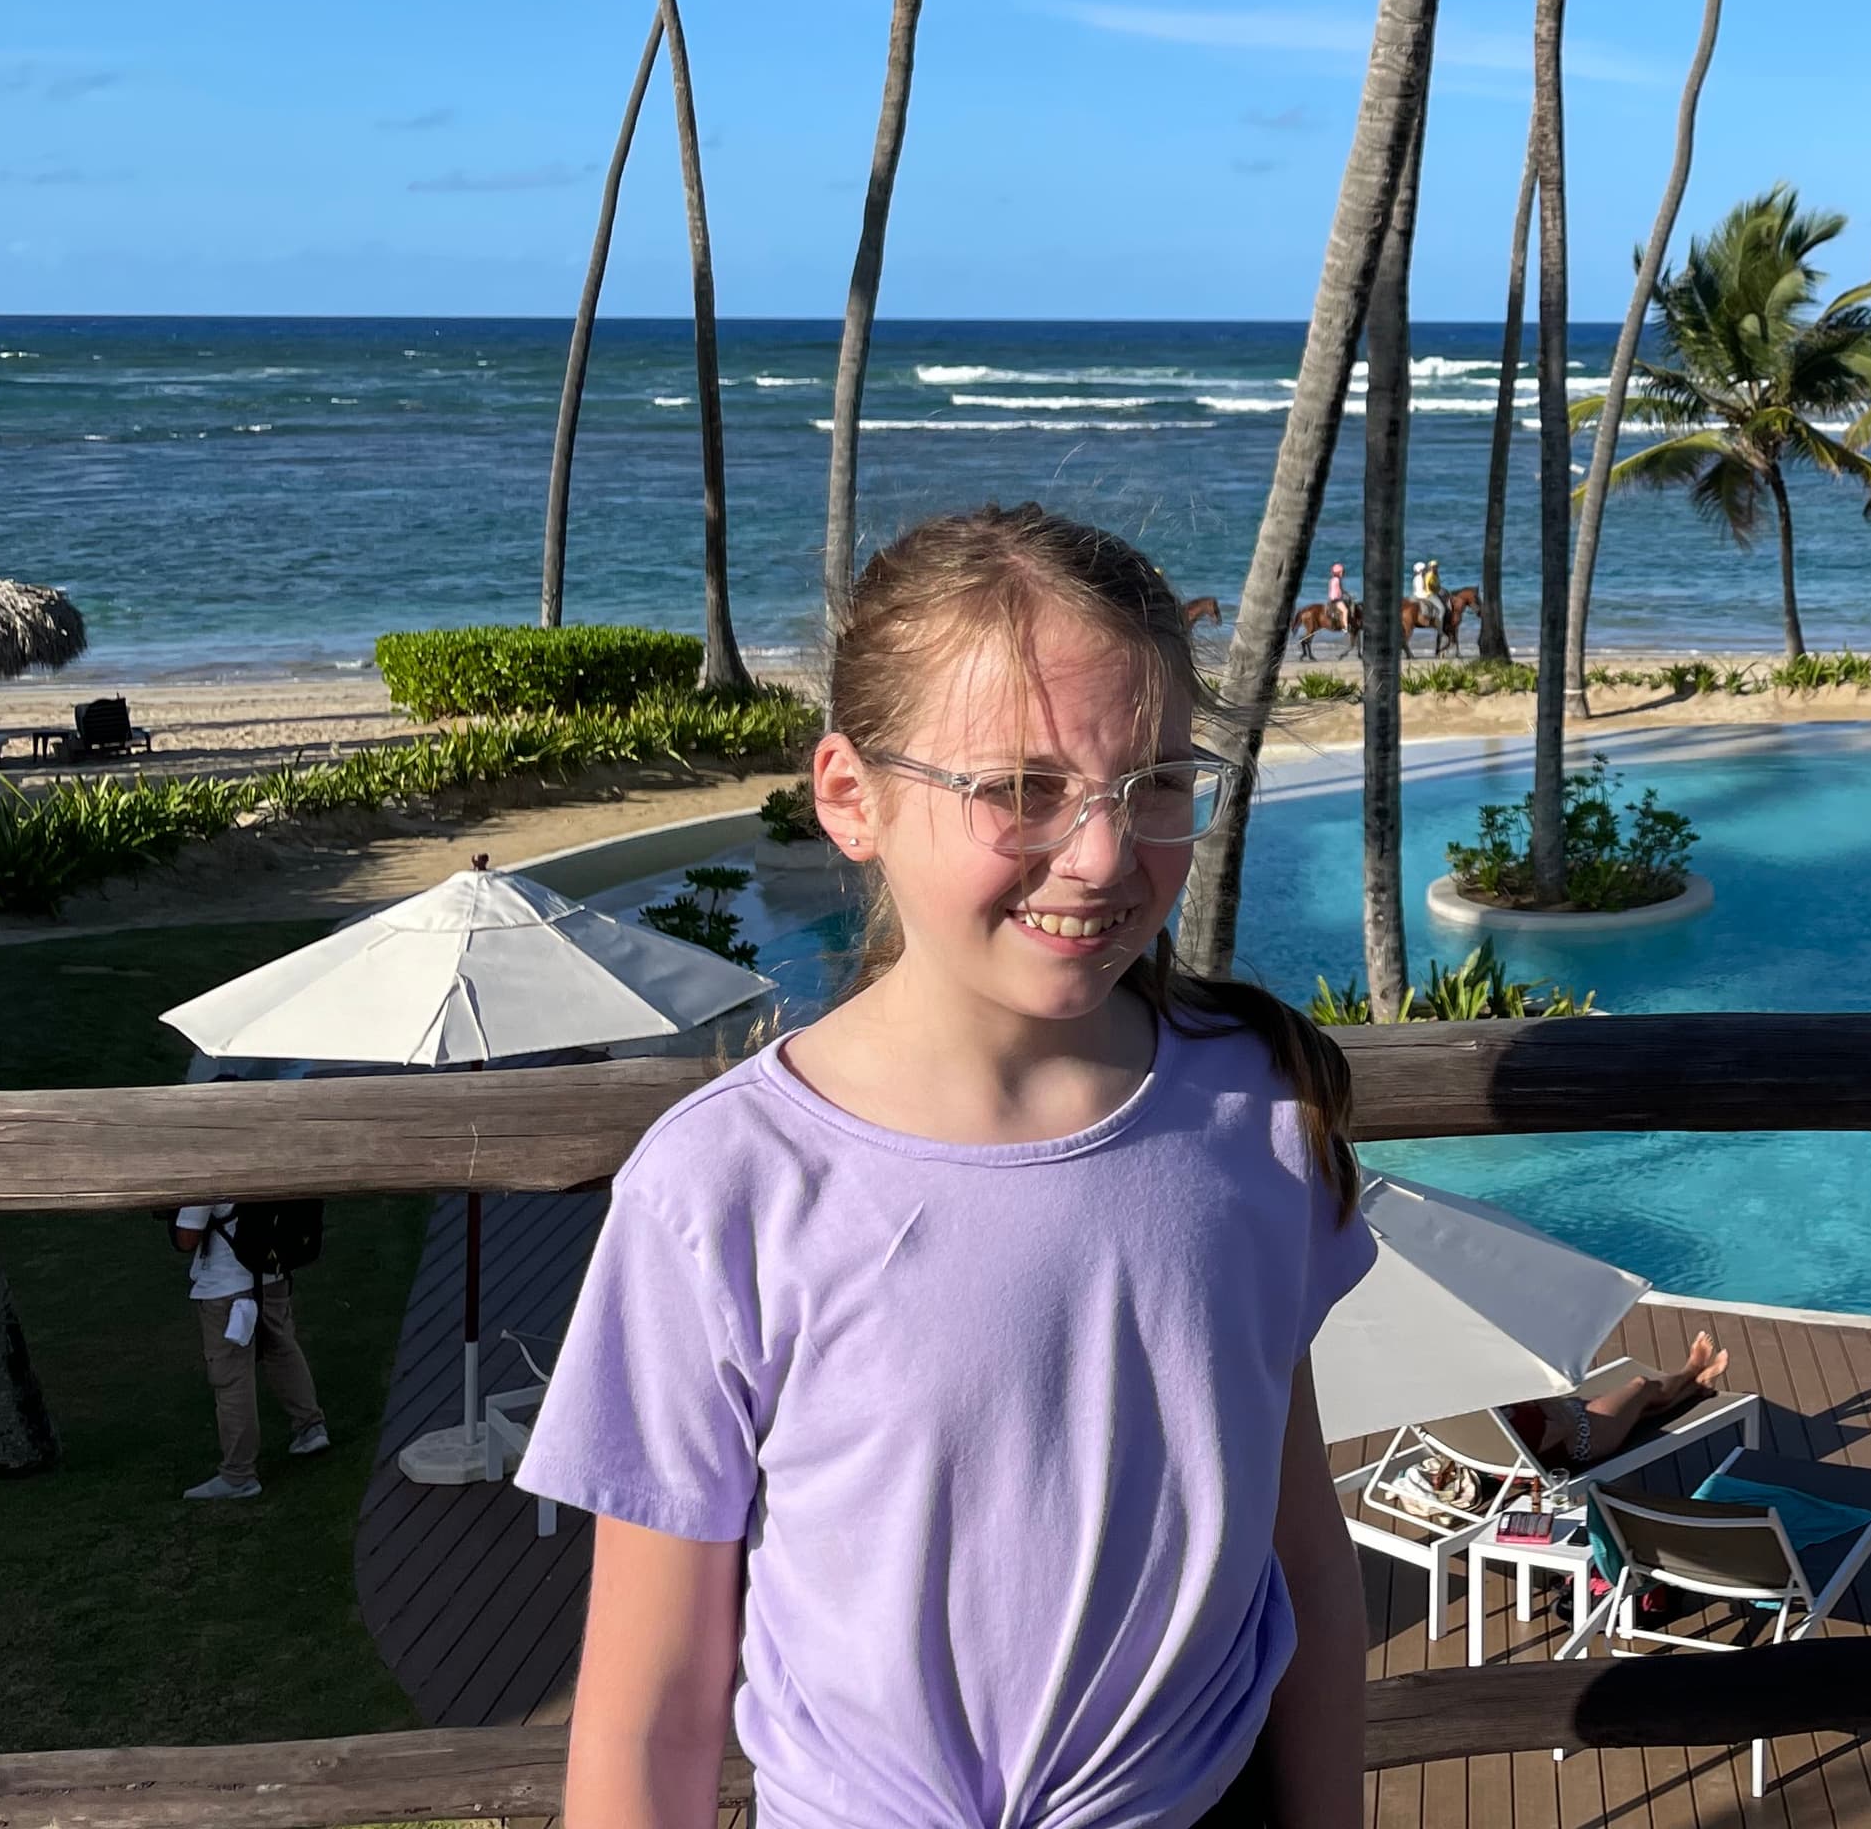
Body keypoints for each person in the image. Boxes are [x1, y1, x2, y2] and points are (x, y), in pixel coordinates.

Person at [522, 504, 1373, 1829]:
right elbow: (652, 1703)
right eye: (1022, 791)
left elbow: (1302, 1553)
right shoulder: (726, 1189)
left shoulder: (1255, 1112)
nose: (1102, 854)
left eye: (1154, 781)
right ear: (852, 797)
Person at [171, 1197, 328, 1502]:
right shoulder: (266, 1155)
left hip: (226, 1287)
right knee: (283, 1350)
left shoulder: (208, 1167)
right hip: (273, 1272)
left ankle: (238, 1474)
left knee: (231, 1379)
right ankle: (311, 1427)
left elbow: (187, 1238)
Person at [1501, 1329, 1732, 1474]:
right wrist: (1542, 1397)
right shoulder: (1521, 1432)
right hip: (1587, 1434)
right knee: (1641, 1387)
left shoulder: (1487, 1416)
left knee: (1640, 1411)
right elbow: (1564, 1427)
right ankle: (1691, 1370)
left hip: (1576, 1417)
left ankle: (1697, 1388)